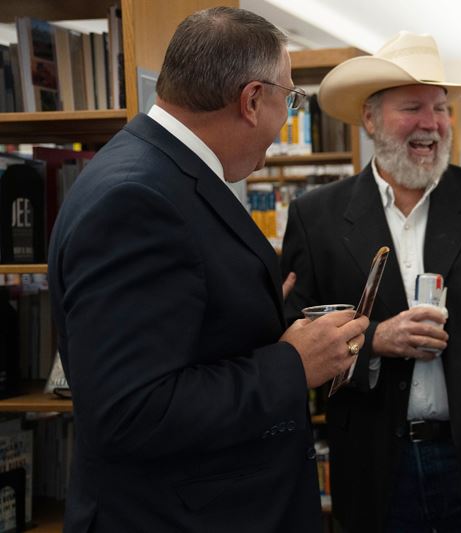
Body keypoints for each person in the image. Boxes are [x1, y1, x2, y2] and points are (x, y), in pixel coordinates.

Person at [47, 8, 367, 532]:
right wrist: (293, 364)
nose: (285, 117)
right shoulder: (137, 198)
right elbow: (130, 411)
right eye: (288, 99)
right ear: (251, 100)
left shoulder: (163, 170)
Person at [280, 32, 461, 532]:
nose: (431, 124)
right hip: (373, 466)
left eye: (440, 108)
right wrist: (375, 341)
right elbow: (292, 345)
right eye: (412, 107)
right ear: (370, 118)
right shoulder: (316, 217)